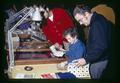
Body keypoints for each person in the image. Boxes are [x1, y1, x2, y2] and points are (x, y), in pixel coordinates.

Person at [73, 5, 111, 79]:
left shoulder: (97, 23)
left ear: (86, 14)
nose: (80, 23)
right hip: (98, 59)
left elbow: (100, 47)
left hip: (99, 62)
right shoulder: (97, 19)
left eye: (80, 20)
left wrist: (86, 60)